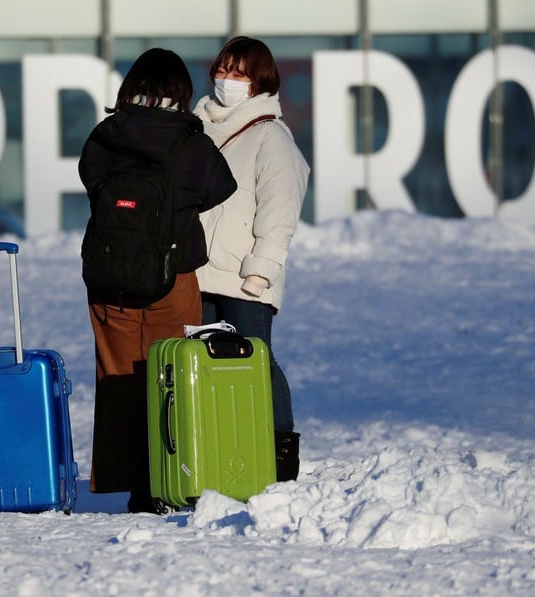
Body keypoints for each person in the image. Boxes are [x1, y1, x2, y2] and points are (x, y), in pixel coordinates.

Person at [78, 48, 237, 513]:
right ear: (181, 94)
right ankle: (170, 478)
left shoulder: (107, 135)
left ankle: (132, 484)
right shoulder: (191, 141)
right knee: (172, 378)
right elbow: (220, 187)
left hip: (108, 280)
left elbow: (91, 180)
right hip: (174, 277)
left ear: (132, 86)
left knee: (118, 379)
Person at [193, 36, 310, 482]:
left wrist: (260, 273)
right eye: (223, 70)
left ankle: (280, 452)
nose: (227, 80)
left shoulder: (271, 136)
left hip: (244, 279)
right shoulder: (199, 128)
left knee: (257, 360)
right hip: (198, 272)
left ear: (259, 80)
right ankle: (220, 447)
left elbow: (279, 212)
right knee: (205, 364)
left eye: (239, 73)